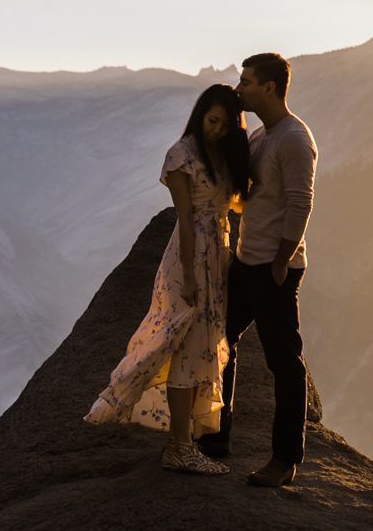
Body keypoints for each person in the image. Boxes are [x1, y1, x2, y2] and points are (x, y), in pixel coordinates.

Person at [83, 83, 252, 475]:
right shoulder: (182, 156)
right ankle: (178, 446)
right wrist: (192, 275)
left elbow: (237, 201)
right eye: (212, 121)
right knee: (186, 346)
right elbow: (187, 220)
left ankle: (183, 442)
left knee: (203, 349)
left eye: (226, 125)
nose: (217, 130)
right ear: (199, 115)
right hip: (189, 260)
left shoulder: (223, 153)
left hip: (217, 257)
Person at [198, 51, 318, 488]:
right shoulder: (262, 136)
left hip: (273, 267)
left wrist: (283, 261)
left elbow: (300, 203)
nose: (240, 87)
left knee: (284, 362)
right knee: (220, 340)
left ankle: (284, 460)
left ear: (269, 87)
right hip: (249, 262)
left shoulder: (293, 138)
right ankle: (215, 436)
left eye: (246, 82)